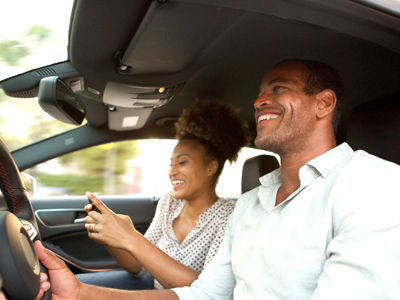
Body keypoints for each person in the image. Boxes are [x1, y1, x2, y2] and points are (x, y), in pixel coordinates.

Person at [34, 59, 400, 300]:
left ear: (323, 104)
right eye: (259, 93)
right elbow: (206, 294)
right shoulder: (253, 203)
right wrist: (80, 292)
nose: (259, 101)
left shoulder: (374, 185)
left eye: (277, 88)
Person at [75, 100, 252, 290]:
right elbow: (139, 267)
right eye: (171, 164)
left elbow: (207, 290)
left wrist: (130, 236)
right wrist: (110, 237)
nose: (172, 172)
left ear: (211, 167)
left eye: (182, 162)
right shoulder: (169, 203)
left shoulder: (230, 217)